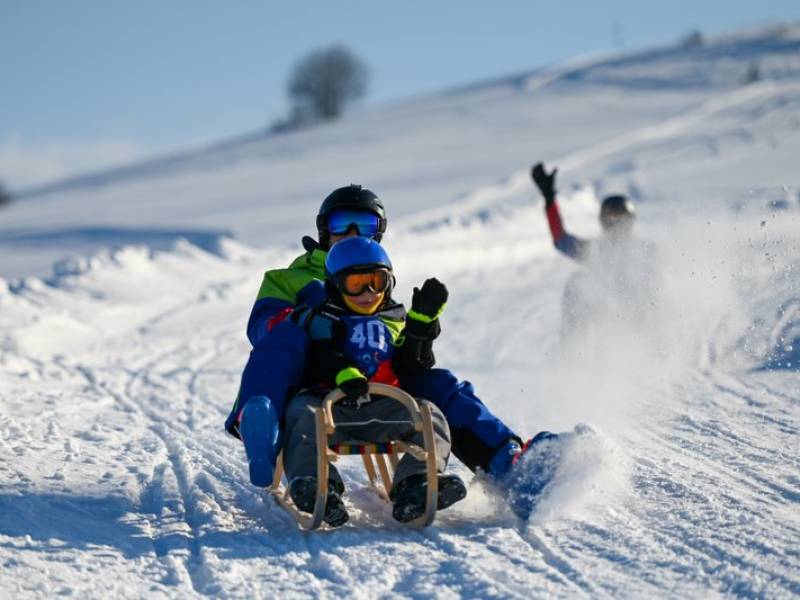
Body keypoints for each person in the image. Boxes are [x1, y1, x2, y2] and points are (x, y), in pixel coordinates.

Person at [225, 184, 552, 500]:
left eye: (365, 225)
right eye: (341, 223)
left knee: (440, 384)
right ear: (324, 230)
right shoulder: (288, 279)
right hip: (305, 377)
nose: (352, 233)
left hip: (373, 384)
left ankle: (507, 465)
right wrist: (311, 320)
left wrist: (420, 329)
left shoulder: (375, 281)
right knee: (287, 338)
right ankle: (262, 421)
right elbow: (262, 330)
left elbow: (393, 345)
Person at [281, 236, 466, 526]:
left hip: (384, 409)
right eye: (356, 284)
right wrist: (344, 374)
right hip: (331, 413)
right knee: (300, 413)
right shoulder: (324, 317)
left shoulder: (393, 319)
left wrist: (421, 323)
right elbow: (323, 352)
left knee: (430, 415)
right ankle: (316, 485)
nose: (368, 293)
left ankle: (416, 482)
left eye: (376, 282)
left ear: (389, 283)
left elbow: (411, 365)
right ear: (335, 286)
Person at [531, 162, 658, 337]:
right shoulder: (595, 250)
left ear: (629, 220)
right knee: (576, 283)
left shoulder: (646, 251)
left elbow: (667, 279)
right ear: (603, 221)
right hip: (604, 321)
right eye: (611, 217)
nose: (615, 223)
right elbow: (561, 239)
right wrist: (549, 199)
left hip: (641, 322)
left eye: (619, 218)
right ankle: (573, 352)